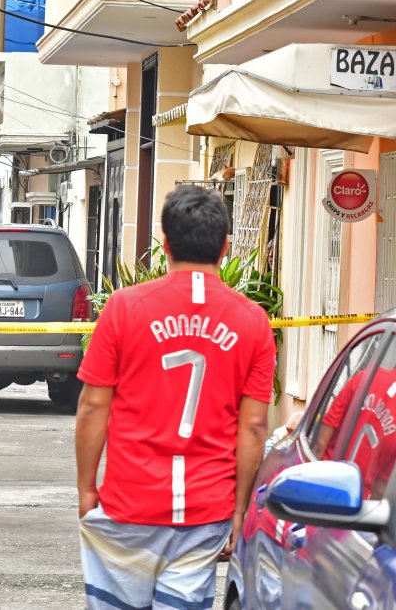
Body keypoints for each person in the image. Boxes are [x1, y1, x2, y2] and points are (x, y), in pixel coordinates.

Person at [74, 186, 274, 610]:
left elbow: (93, 405)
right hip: (206, 510)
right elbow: (254, 426)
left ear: (165, 244)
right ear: (224, 247)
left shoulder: (124, 307)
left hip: (130, 501)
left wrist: (87, 487)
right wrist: (240, 510)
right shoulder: (253, 321)